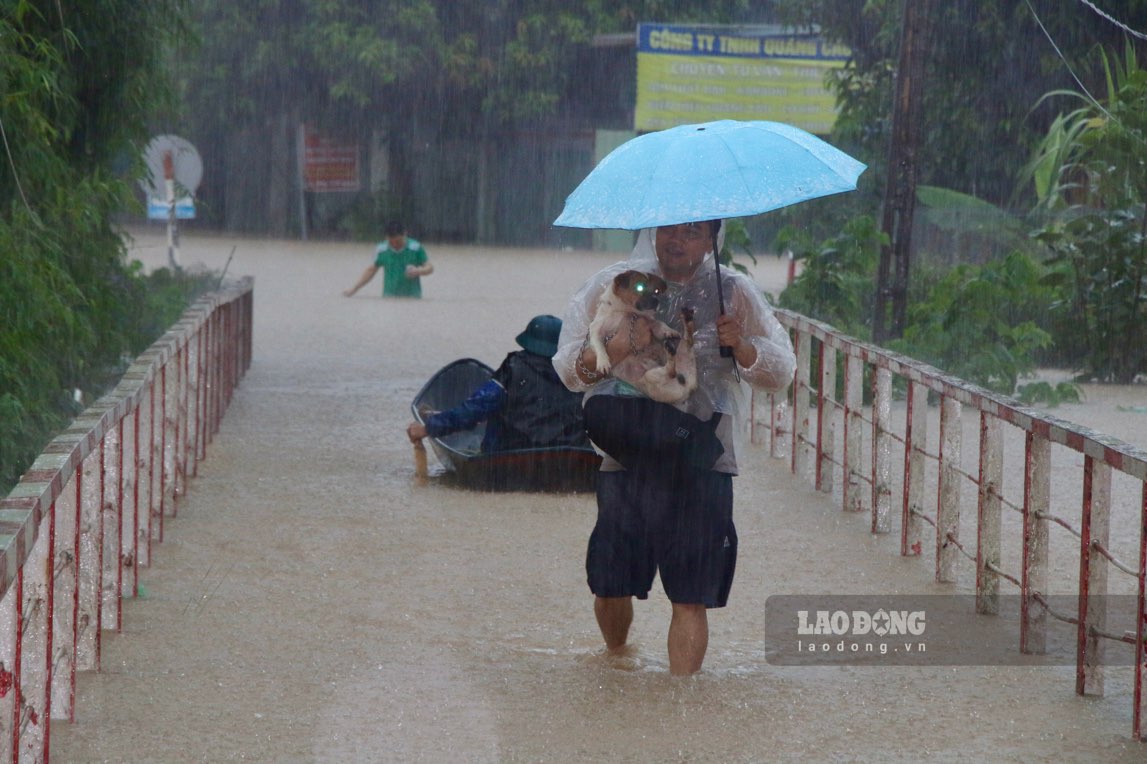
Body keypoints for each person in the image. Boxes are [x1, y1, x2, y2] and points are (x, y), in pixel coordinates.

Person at [553, 220, 796, 675]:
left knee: (690, 592)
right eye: (668, 230)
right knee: (611, 582)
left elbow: (781, 373)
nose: (676, 241)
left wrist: (741, 345)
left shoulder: (734, 292)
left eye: (691, 232)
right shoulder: (616, 284)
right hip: (627, 448)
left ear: (712, 239)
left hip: (701, 452)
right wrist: (613, 344)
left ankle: (680, 698)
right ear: (653, 232)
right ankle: (616, 661)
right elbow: (567, 371)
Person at [407, 315, 590, 453]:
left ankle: (436, 417)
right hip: (567, 450)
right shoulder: (577, 373)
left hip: (512, 452)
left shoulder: (513, 368)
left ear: (527, 342)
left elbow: (475, 409)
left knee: (493, 408)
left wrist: (429, 428)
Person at [344, 220, 433, 298]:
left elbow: (430, 267)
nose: (394, 245)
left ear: (405, 234)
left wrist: (419, 271)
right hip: (389, 296)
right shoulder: (381, 249)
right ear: (386, 237)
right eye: (391, 242)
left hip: (413, 297)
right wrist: (354, 289)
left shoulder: (415, 247)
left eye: (398, 241)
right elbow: (371, 270)